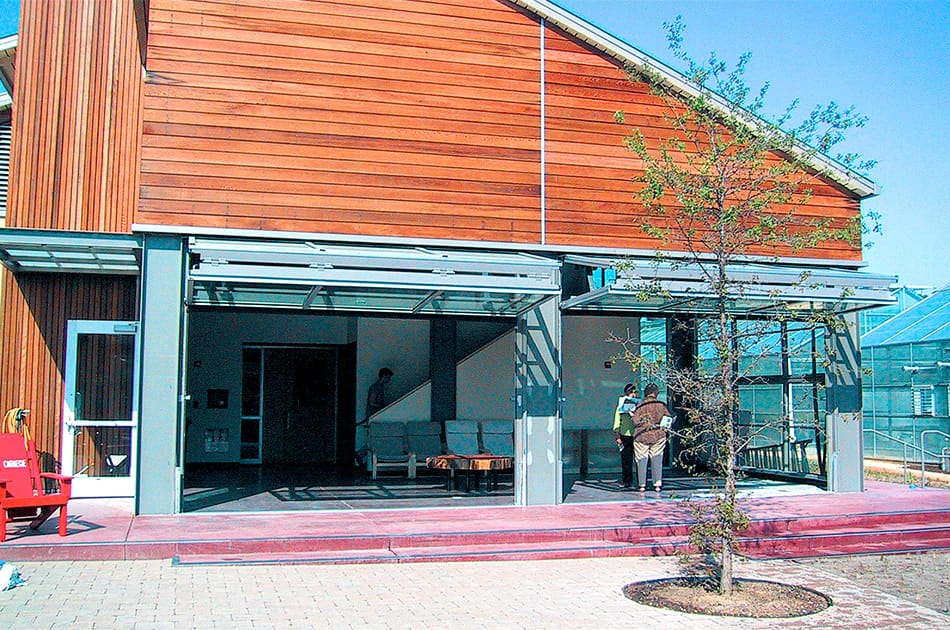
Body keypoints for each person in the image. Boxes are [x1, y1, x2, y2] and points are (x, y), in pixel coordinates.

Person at [632, 382, 672, 493]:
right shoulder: (661, 405)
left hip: (642, 435)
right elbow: (668, 418)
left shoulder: (640, 405)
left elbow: (635, 421)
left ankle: (642, 485)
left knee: (641, 460)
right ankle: (657, 484)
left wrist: (632, 415)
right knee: (657, 459)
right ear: (656, 393)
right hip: (658, 435)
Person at [355, 367, 393, 468]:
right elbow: (372, 402)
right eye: (388, 377)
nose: (389, 380)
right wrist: (382, 406)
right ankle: (360, 454)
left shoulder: (380, 387)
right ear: (383, 376)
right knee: (373, 439)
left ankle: (361, 455)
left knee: (374, 439)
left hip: (375, 416)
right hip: (373, 416)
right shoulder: (375, 388)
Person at [612, 383, 639, 489]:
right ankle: (627, 481)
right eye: (630, 392)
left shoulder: (639, 405)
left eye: (634, 392)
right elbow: (617, 422)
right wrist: (618, 436)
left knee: (640, 459)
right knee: (626, 459)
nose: (633, 394)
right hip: (625, 434)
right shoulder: (621, 405)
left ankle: (641, 481)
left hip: (637, 434)